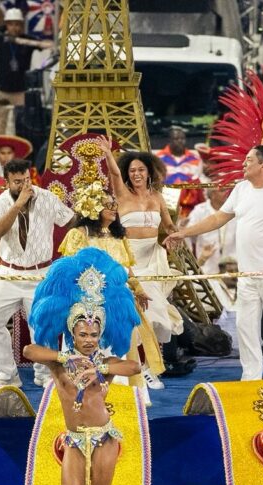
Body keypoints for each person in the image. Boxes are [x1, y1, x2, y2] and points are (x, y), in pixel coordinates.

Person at [24, 247, 141, 485]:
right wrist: (65, 357)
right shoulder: (59, 364)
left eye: (94, 334)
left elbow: (134, 366)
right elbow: (29, 350)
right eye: (83, 334)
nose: (89, 339)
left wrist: (100, 367)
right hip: (74, 439)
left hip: (103, 438)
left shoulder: (105, 362)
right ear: (72, 333)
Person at [165, 145, 263, 381]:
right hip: (247, 275)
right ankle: (251, 376)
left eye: (249, 160)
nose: (243, 163)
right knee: (245, 327)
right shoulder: (241, 189)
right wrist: (184, 233)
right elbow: (218, 218)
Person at [58, 182, 162, 400]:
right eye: (108, 205)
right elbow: (68, 269)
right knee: (88, 345)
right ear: (93, 208)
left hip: (118, 302)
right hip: (87, 302)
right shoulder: (79, 234)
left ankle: (120, 395)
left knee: (118, 347)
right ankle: (82, 395)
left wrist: (138, 290)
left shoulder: (119, 236)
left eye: (115, 205)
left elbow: (127, 269)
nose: (114, 209)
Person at [0, 158, 75, 387]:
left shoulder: (47, 198)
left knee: (42, 326)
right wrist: (18, 205)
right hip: (8, 272)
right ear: (6, 182)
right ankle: (7, 374)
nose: (24, 185)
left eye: (27, 179)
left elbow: (71, 220)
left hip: (40, 273)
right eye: (17, 182)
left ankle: (45, 374)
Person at [101, 143, 181, 388]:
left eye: (141, 170)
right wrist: (108, 154)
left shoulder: (158, 197)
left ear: (149, 172)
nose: (136, 174)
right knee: (136, 316)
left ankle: (148, 367)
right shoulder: (122, 194)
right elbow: (114, 174)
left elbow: (168, 225)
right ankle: (137, 368)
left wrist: (176, 235)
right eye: (132, 170)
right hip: (129, 262)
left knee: (157, 316)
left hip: (153, 261)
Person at [0, 8, 53, 134]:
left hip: (21, 91)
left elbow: (47, 45)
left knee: (21, 125)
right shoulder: (0, 39)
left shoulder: (27, 39)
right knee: (0, 125)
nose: (15, 28)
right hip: (2, 90)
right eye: (11, 24)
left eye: (17, 24)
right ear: (6, 25)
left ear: (22, 25)